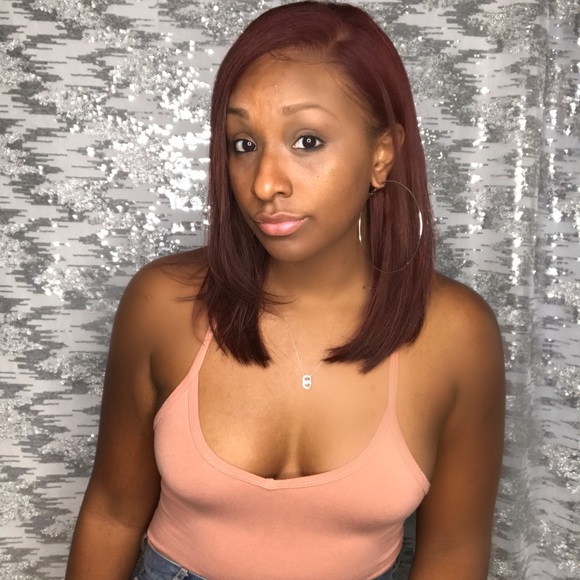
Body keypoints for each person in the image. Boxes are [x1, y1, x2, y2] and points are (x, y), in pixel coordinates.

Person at [65, 2, 505, 579]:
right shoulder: (163, 304)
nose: (265, 183)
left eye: (307, 141)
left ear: (382, 154)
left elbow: (453, 552)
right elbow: (113, 513)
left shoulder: (457, 334)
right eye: (244, 144)